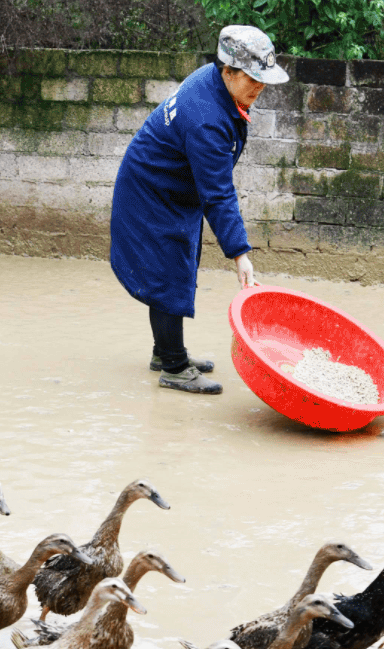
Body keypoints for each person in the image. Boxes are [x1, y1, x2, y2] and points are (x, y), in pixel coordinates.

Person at [108, 24, 286, 395]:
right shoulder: (207, 119)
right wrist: (240, 254)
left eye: (263, 80)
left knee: (178, 264)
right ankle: (173, 367)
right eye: (252, 78)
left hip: (170, 187)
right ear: (228, 71)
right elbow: (218, 193)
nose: (259, 87)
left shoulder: (212, 81)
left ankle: (166, 351)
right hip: (151, 192)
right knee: (169, 272)